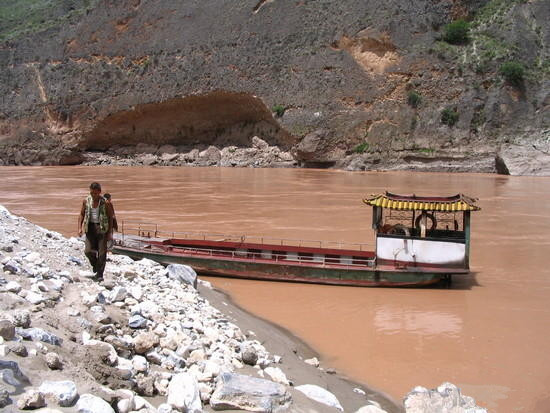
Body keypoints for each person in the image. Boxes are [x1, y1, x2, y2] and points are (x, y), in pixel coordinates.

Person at [78, 182, 113, 281]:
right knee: (88, 251)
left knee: (102, 252)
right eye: (92, 193)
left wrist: (109, 233)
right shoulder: (86, 201)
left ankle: (100, 274)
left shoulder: (105, 203)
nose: (94, 195)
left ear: (100, 192)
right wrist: (80, 228)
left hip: (102, 228)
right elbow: (81, 214)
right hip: (90, 227)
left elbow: (110, 217)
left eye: (96, 193)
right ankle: (95, 265)